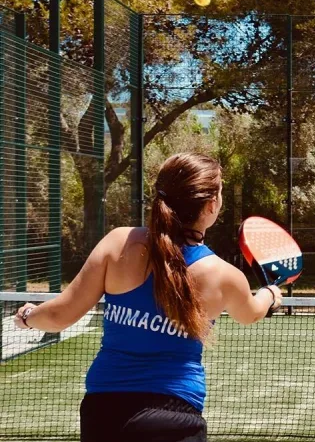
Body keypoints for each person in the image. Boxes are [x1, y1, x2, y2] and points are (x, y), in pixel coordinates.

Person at [13, 153, 282, 442]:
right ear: (212, 204)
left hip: (103, 414)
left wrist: (28, 317)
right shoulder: (224, 275)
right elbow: (250, 313)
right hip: (175, 416)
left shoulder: (118, 243)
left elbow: (58, 316)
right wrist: (270, 294)